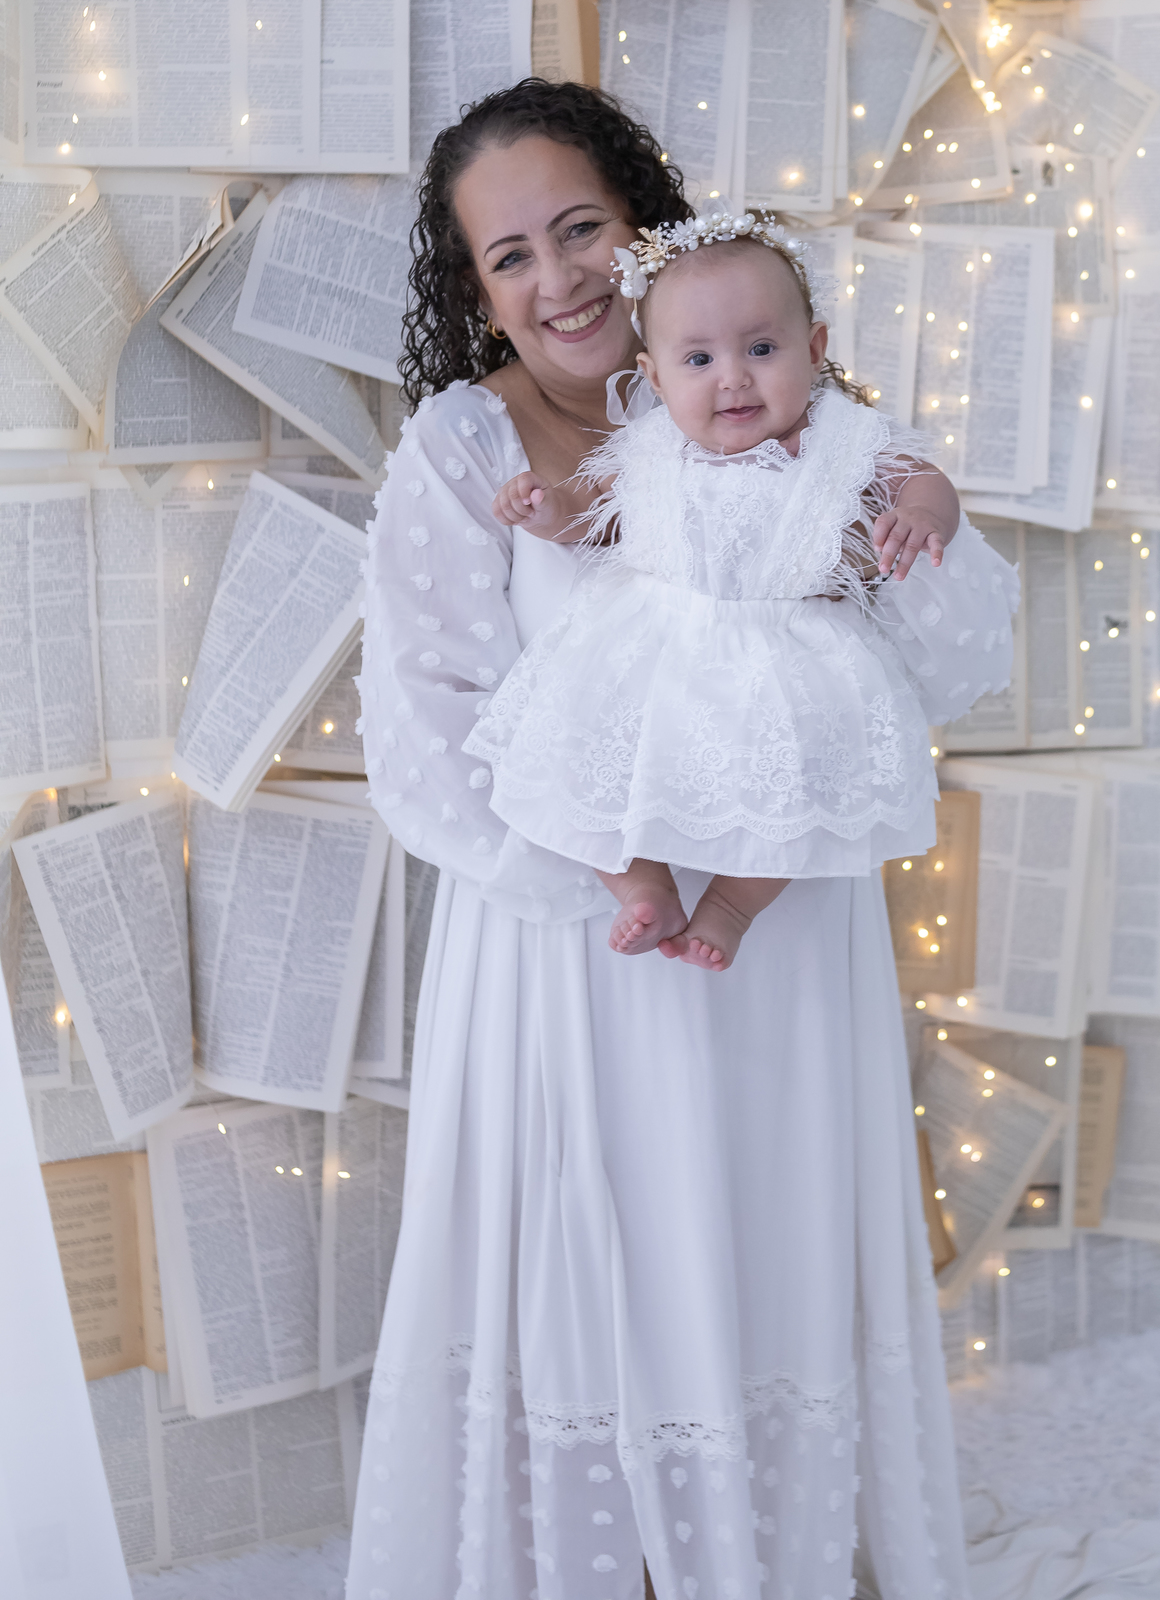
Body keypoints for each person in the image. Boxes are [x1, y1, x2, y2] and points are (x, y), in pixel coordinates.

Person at [347, 78, 1018, 1600]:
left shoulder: (759, 388)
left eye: (582, 228)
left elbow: (934, 652)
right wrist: (618, 865)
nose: (560, 275)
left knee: (767, 1266)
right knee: (599, 1280)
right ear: (479, 295)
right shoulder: (468, 450)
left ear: (646, 226)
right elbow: (430, 734)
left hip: (780, 943)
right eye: (511, 255)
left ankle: (766, 1555)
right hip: (577, 950)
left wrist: (907, 531)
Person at [465, 203, 1013, 972]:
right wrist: (547, 509)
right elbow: (594, 519)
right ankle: (641, 887)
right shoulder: (651, 448)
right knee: (568, 767)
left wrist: (922, 515)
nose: (733, 379)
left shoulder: (837, 440)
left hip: (785, 660)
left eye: (761, 348)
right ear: (653, 375)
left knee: (801, 793)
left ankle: (728, 907)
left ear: (814, 349)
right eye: (698, 361)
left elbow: (920, 478)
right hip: (652, 653)